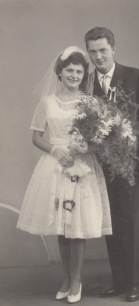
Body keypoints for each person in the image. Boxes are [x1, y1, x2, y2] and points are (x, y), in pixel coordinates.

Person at [17, 46, 112, 304]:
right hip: (56, 165)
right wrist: (56, 149)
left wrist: (85, 147)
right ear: (60, 72)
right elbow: (36, 136)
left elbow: (101, 139)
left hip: (82, 166)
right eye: (69, 70)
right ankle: (66, 279)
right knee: (62, 227)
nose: (74, 75)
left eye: (79, 71)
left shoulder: (89, 102)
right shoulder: (46, 102)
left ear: (84, 74)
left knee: (77, 227)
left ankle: (77, 280)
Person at [84, 27, 139, 302]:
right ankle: (119, 281)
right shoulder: (87, 83)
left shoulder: (135, 76)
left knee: (134, 223)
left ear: (113, 49)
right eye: (92, 51)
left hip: (135, 164)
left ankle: (135, 283)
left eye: (102, 50)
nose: (98, 56)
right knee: (112, 222)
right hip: (102, 166)